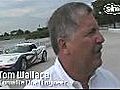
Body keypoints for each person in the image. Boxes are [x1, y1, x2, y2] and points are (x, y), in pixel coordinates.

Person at [24, 2, 120, 89]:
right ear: (64, 45)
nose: (101, 39)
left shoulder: (109, 79)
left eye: (98, 31)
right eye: (91, 32)